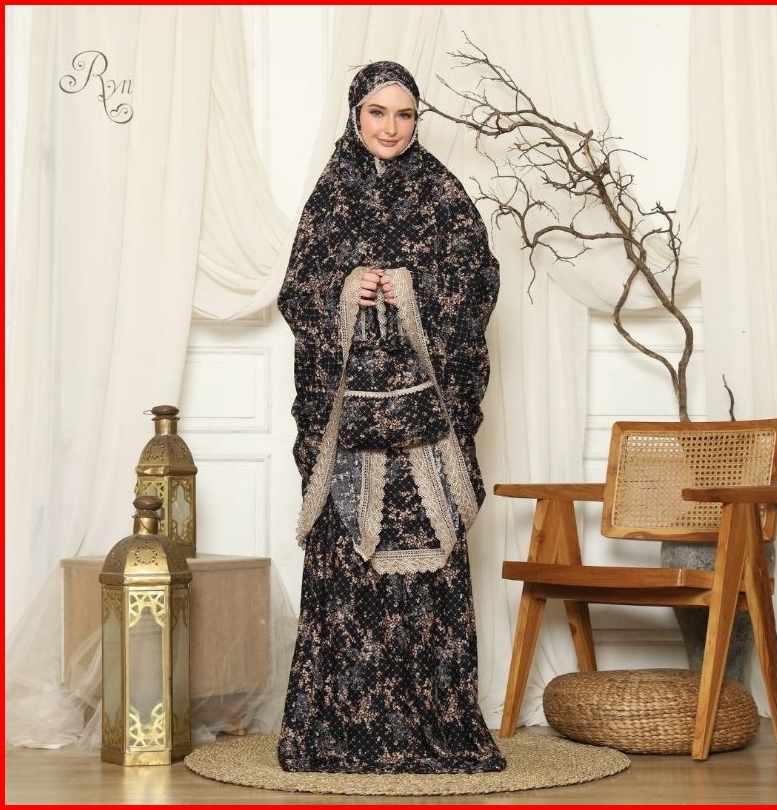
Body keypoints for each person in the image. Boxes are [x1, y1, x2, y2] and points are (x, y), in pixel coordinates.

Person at [276, 60, 505, 774]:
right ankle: (338, 734)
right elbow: (298, 290)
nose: (391, 127)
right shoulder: (331, 194)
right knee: (350, 558)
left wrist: (407, 288)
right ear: (356, 115)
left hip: (424, 433)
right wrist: (348, 287)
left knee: (427, 561)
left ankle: (437, 728)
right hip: (350, 430)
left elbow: (477, 281)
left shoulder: (442, 192)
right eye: (378, 112)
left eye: (404, 114)